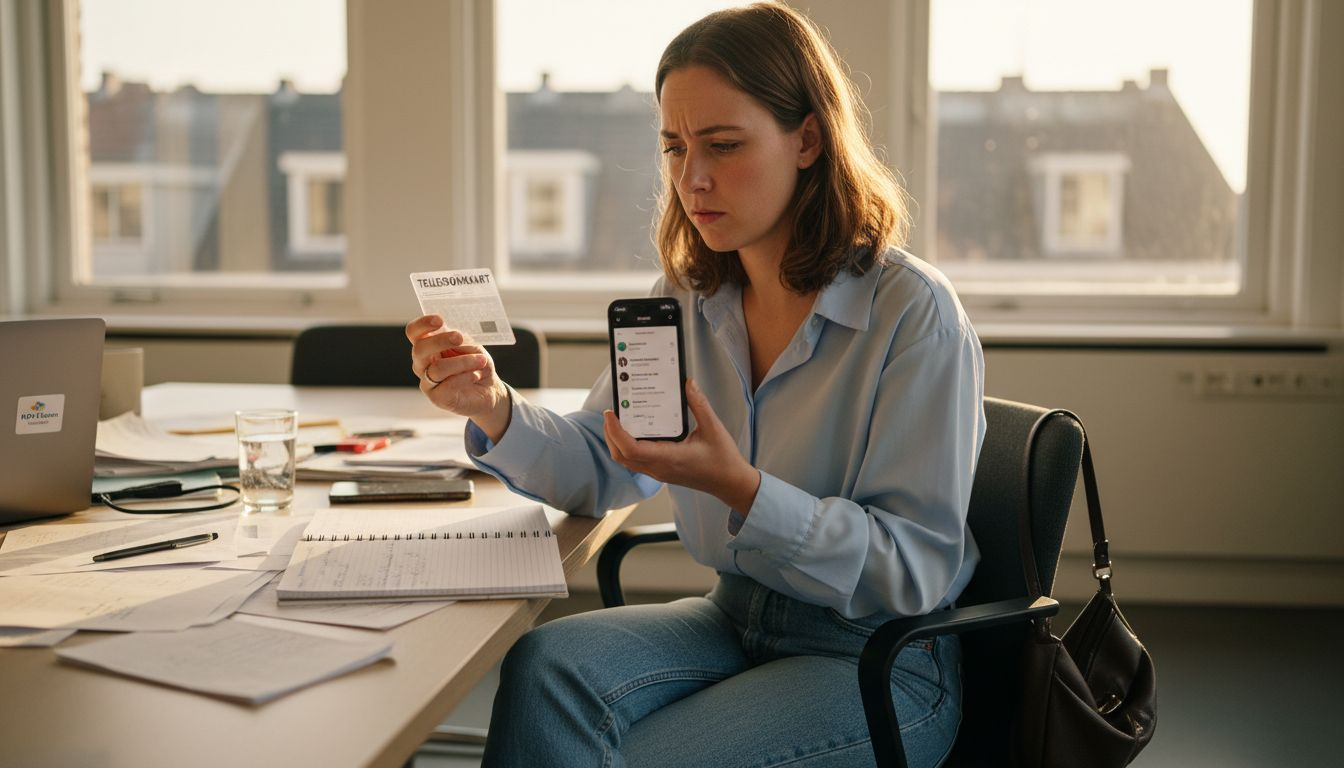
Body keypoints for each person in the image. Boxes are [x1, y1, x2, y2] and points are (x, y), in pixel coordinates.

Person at [406, 3, 984, 766]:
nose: (692, 178)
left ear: (808, 139)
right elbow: (601, 461)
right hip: (733, 617)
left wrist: (744, 489)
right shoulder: (688, 296)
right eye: (674, 148)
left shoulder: (912, 313)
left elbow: (913, 569)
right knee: (544, 668)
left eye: (723, 145)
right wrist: (495, 407)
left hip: (877, 656)